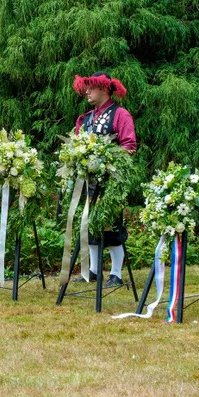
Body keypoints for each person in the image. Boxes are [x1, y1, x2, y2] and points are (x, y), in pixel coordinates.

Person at [73, 72, 137, 288]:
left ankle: (116, 274)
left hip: (111, 182)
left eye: (91, 88)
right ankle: (93, 270)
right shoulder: (86, 118)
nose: (87, 92)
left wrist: (105, 159)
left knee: (111, 226)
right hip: (87, 182)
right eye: (86, 88)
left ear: (104, 89)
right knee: (89, 224)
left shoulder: (120, 114)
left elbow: (129, 146)